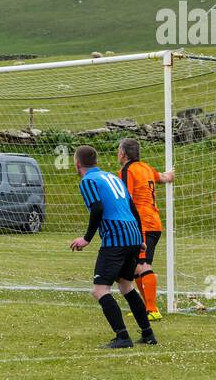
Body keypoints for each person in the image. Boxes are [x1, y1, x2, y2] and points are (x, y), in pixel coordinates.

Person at [69, 145, 156, 348]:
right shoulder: (113, 177)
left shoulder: (88, 181)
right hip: (132, 235)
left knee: (100, 290)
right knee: (126, 287)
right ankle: (148, 334)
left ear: (77, 163)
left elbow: (97, 208)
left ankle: (123, 337)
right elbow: (133, 207)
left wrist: (87, 238)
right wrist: (140, 238)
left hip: (116, 239)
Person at [116, 138, 174, 321]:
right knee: (135, 267)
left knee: (142, 265)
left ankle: (152, 309)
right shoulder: (146, 168)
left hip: (142, 224)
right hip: (153, 222)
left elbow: (127, 197)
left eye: (119, 151)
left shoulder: (127, 170)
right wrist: (171, 174)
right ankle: (143, 308)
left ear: (123, 154)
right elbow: (164, 178)